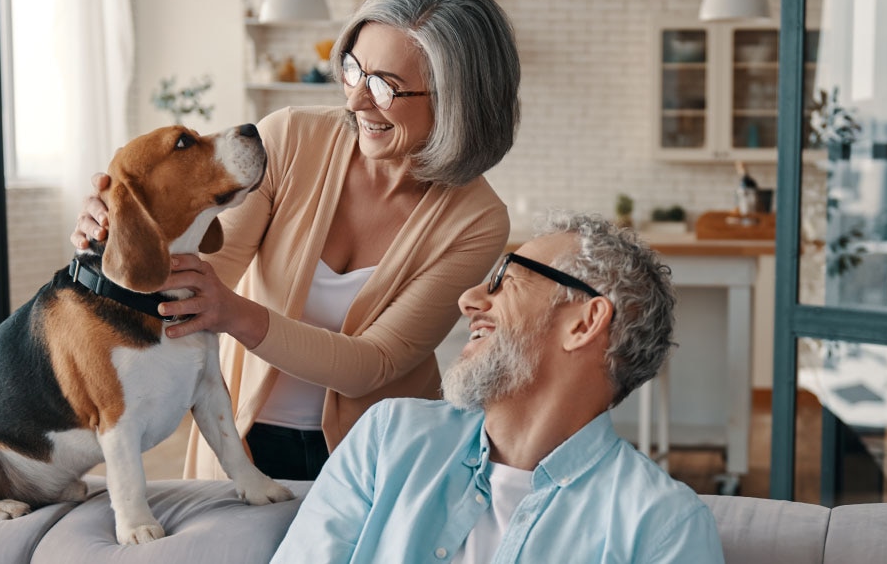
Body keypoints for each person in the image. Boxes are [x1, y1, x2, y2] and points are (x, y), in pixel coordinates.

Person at [70, 0, 520, 481]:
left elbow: (375, 363)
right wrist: (118, 235)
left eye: (386, 87)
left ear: (458, 101)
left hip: (379, 456)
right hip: (241, 436)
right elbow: (198, 275)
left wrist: (234, 313)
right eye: (353, 70)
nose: (355, 100)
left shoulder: (478, 221)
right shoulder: (289, 138)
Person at [269, 212, 725, 563]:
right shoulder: (388, 440)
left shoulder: (664, 526)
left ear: (585, 323)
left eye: (505, 279)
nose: (469, 300)